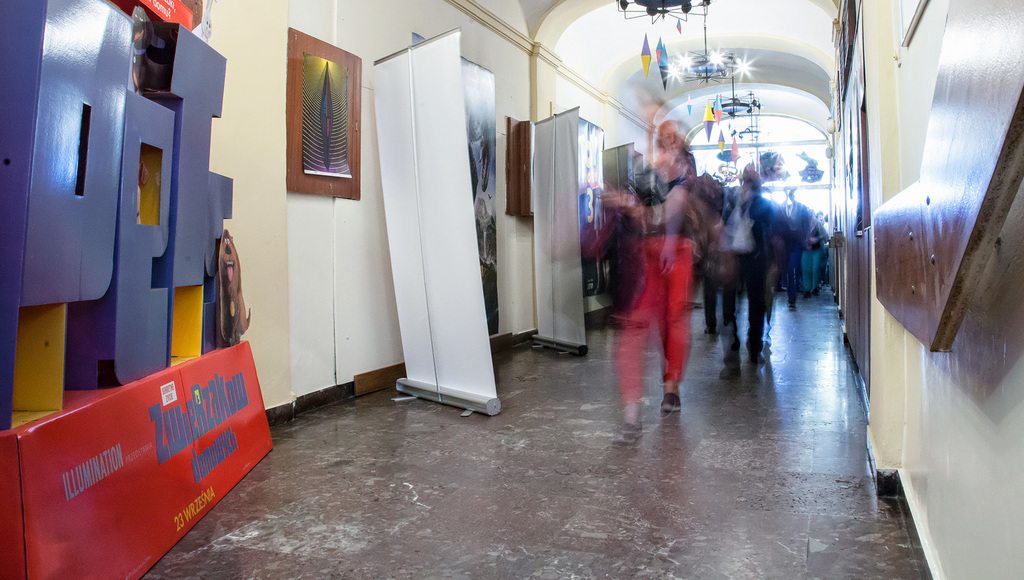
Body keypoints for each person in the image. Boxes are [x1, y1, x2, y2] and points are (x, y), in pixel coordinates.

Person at [602, 121, 700, 443]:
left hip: (679, 250)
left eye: (674, 136)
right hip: (646, 252)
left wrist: (668, 240)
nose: (669, 140)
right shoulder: (648, 171)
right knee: (640, 321)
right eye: (664, 135)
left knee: (674, 319)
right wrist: (629, 206)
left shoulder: (686, 169)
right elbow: (642, 211)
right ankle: (633, 412)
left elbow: (675, 208)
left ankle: (671, 385)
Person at [720, 164, 775, 364]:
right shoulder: (731, 199)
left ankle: (754, 347)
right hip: (733, 257)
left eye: (750, 180)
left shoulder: (764, 204)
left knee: (756, 304)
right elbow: (724, 224)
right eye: (745, 179)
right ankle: (733, 343)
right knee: (729, 304)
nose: (746, 184)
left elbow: (769, 230)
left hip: (754, 258)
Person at [777, 187, 811, 309]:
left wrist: (806, 240)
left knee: (792, 267)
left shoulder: (802, 208)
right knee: (789, 270)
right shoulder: (780, 208)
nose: (789, 195)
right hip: (785, 243)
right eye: (787, 193)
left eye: (791, 193)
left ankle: (793, 295)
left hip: (797, 243)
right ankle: (791, 298)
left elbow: (806, 225)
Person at [802, 211, 829, 297]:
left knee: (816, 269)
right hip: (805, 249)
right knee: (806, 270)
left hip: (816, 249)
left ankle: (815, 288)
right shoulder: (801, 223)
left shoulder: (817, 223)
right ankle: (807, 289)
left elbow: (824, 235)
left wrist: (817, 239)